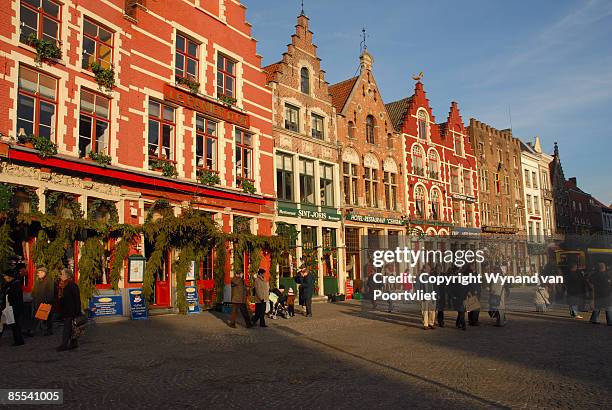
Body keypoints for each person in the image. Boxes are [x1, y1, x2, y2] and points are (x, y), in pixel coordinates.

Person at [57, 268, 82, 351]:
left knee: (67, 328)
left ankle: (64, 345)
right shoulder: (62, 285)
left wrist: (77, 311)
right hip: (65, 310)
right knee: (71, 328)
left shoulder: (72, 285)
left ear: (67, 275)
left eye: (62, 274)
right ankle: (74, 343)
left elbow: (77, 299)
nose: (60, 276)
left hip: (71, 311)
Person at [1, 268, 25, 346]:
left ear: (9, 276)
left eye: (5, 276)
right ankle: (18, 340)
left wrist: (8, 296)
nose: (4, 277)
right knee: (11, 324)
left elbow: (15, 296)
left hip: (14, 307)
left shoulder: (15, 284)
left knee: (15, 324)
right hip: (9, 307)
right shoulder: (8, 284)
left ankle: (19, 340)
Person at [31, 266, 55, 336]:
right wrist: (33, 296)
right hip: (38, 301)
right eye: (38, 272)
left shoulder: (49, 280)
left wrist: (47, 301)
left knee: (47, 317)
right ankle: (34, 330)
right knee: (38, 316)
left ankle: (48, 330)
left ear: (44, 273)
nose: (38, 274)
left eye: (40, 272)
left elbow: (50, 292)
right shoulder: (38, 280)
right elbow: (34, 290)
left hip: (46, 302)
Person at [419, 264, 437, 330]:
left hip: (431, 295)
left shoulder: (430, 276)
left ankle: (431, 323)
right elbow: (417, 286)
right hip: (424, 295)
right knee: (425, 311)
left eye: (429, 268)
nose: (429, 270)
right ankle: (425, 324)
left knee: (432, 310)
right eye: (427, 268)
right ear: (424, 269)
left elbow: (434, 286)